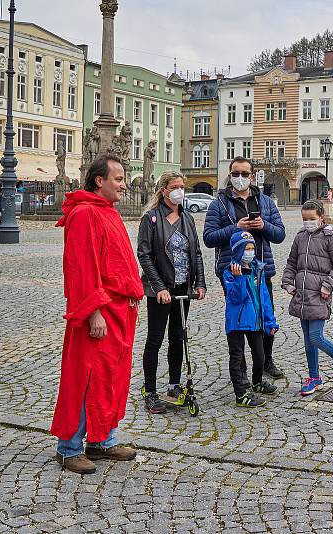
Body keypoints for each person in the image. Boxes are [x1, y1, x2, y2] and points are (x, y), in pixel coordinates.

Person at [51, 154, 144, 475]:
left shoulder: (107, 212)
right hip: (98, 313)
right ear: (99, 180)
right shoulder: (85, 214)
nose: (123, 184)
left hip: (119, 313)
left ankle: (102, 439)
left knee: (109, 377)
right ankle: (69, 447)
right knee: (85, 377)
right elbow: (81, 268)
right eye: (117, 178)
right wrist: (93, 312)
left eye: (123, 178)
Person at [204, 156, 286, 380]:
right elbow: (209, 238)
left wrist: (264, 225)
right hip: (234, 271)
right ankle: (240, 369)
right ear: (230, 176)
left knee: (265, 316)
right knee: (240, 318)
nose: (240, 178)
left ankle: (266, 361)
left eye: (244, 174)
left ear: (252, 176)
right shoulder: (219, 204)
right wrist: (235, 228)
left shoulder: (266, 202)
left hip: (261, 269)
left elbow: (280, 234)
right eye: (235, 174)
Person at [136, 171, 207, 414]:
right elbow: (144, 255)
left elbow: (196, 252)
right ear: (164, 190)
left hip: (182, 286)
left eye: (182, 187)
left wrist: (200, 283)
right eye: (175, 187)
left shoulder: (187, 218)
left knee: (178, 336)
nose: (179, 191)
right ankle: (150, 390)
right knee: (155, 339)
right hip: (161, 288)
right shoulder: (152, 218)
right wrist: (159, 287)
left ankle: (174, 384)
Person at [282, 200, 333, 395]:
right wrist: (288, 282)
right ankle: (314, 376)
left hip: (319, 293)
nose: (308, 222)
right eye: (304, 219)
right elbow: (292, 262)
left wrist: (327, 285)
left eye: (311, 219)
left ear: (321, 218)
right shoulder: (300, 236)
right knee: (308, 341)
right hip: (301, 294)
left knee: (316, 337)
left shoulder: (330, 238)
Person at [223, 230, 279, 407]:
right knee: (237, 357)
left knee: (260, 355)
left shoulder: (258, 268)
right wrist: (239, 278)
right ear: (238, 251)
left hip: (255, 321)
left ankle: (257, 382)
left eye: (252, 248)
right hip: (237, 322)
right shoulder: (230, 272)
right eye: (246, 249)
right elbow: (235, 298)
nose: (250, 252)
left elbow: (264, 297)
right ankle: (240, 393)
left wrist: (270, 321)